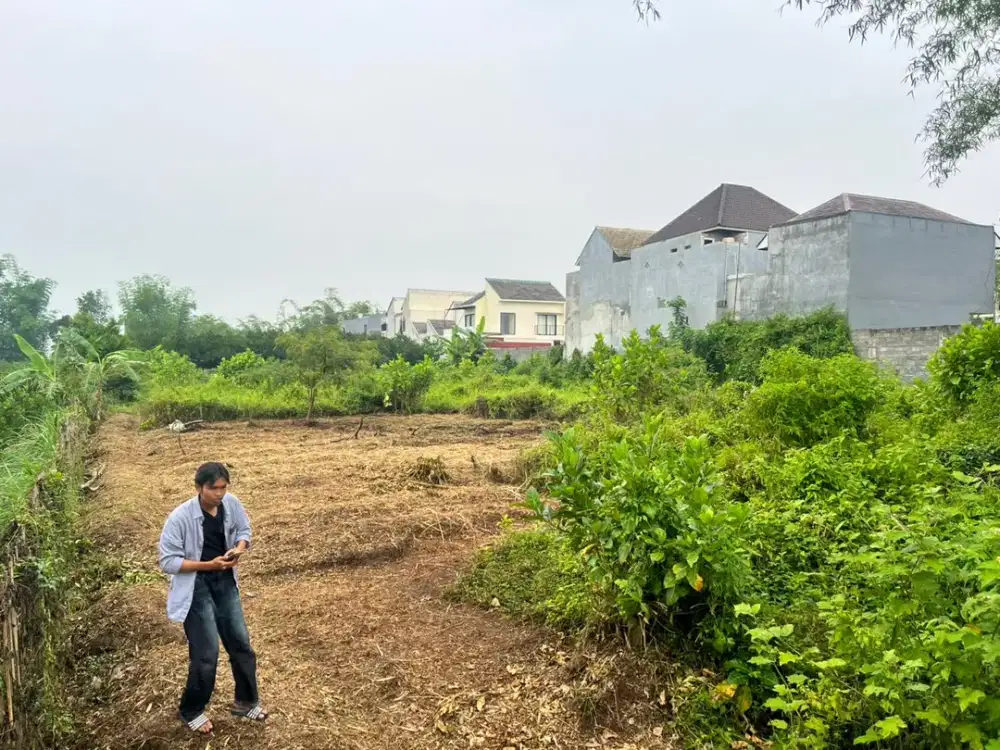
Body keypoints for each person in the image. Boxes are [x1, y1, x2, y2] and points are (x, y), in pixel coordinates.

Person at [158, 462, 268, 734]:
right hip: (196, 587)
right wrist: (209, 565)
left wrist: (239, 549)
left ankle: (245, 701)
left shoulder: (230, 504)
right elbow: (168, 562)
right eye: (213, 488)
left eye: (223, 488)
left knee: (241, 643)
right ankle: (191, 709)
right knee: (206, 653)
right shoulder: (180, 518)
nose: (219, 494)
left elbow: (245, 531)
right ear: (199, 488)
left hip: (225, 582)